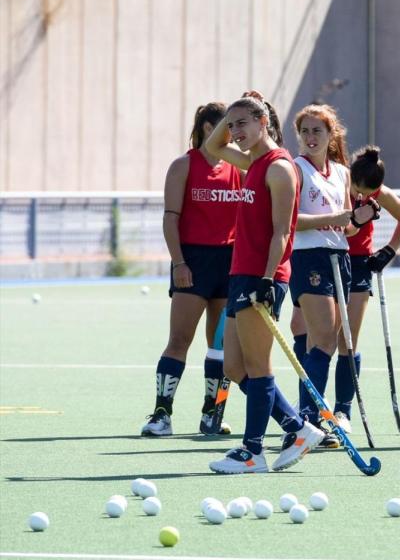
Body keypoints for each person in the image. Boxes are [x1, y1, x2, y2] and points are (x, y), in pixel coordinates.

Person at [203, 91, 325, 474]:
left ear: (264, 123)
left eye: (243, 123)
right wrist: (234, 113)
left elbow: (281, 233)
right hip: (240, 273)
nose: (235, 131)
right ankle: (295, 427)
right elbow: (212, 145)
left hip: (263, 276)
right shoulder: (251, 161)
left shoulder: (278, 168)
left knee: (259, 366)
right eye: (232, 123)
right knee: (235, 368)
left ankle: (252, 450)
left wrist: (269, 278)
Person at [142, 102, 241, 437]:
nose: (227, 134)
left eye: (231, 128)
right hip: (193, 262)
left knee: (220, 346)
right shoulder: (184, 165)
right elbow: (171, 218)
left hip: (229, 263)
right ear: (203, 129)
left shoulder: (238, 168)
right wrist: (179, 262)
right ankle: (161, 414)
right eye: (221, 127)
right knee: (179, 339)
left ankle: (213, 413)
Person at [285, 104, 379, 450]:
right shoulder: (294, 169)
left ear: (331, 135)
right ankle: (307, 420)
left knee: (326, 340)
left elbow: (347, 228)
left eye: (317, 132)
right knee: (323, 336)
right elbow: (291, 220)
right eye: (305, 131)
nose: (310, 138)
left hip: (339, 257)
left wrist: (360, 216)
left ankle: (315, 417)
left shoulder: (341, 172)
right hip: (308, 257)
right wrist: (341, 217)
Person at [331, 146, 400, 429]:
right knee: (322, 338)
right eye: (358, 190)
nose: (362, 197)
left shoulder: (380, 194)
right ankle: (312, 408)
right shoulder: (337, 183)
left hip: (360, 264)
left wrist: (389, 250)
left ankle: (343, 411)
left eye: (368, 193)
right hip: (330, 259)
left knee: (348, 340)